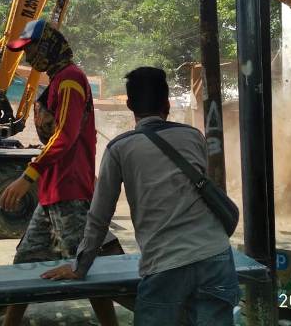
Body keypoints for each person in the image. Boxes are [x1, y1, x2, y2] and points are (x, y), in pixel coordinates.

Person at [43, 66, 239, 325]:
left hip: (165, 266)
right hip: (216, 258)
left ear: (130, 105)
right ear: (167, 104)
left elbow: (99, 216)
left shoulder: (119, 149)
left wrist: (80, 268)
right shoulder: (194, 137)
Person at [0, 18, 118, 326]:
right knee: (25, 262)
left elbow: (65, 135)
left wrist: (28, 176)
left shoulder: (69, 79)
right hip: (53, 190)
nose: (28, 57)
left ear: (48, 46)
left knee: (87, 268)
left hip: (70, 189)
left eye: (31, 49)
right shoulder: (56, 80)